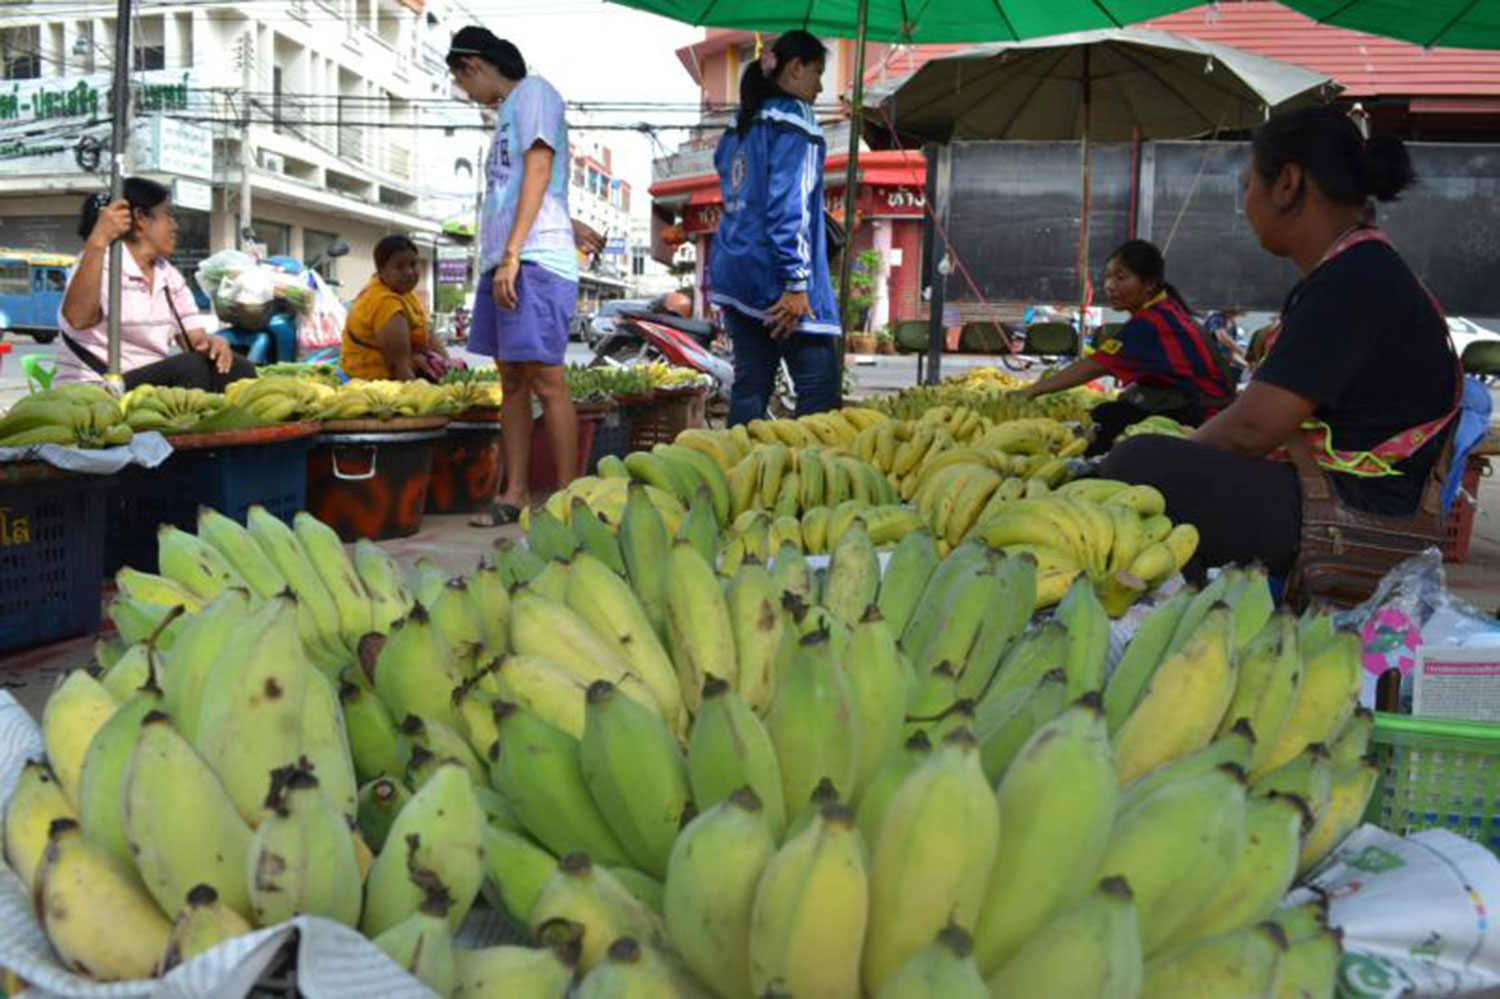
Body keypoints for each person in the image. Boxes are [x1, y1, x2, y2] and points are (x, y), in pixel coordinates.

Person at [1099, 107, 1458, 578]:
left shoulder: (1354, 279)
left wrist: (1174, 455)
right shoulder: (1357, 270)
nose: (1244, 203)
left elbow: (1253, 430)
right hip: (1337, 492)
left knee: (1144, 465)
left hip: (1358, 511)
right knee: (1153, 458)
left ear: (1287, 183)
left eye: (1248, 185)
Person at [448, 27, 579, 526]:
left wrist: (513, 255)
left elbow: (541, 170)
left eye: (462, 81)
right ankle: (516, 493)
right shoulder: (506, 113)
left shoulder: (535, 94)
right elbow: (528, 187)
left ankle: (569, 499)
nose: (465, 93)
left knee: (547, 379)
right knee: (513, 381)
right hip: (509, 257)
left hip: (534, 259)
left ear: (474, 65)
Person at [710, 30, 842, 426]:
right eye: (817, 73)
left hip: (736, 273)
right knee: (819, 389)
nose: (820, 87)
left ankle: (738, 479)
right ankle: (812, 480)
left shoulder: (740, 124)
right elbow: (790, 206)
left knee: (750, 387)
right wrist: (797, 283)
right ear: (795, 68)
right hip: (779, 282)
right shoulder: (795, 121)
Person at [1024, 240, 1237, 455]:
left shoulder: (1151, 322)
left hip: (1202, 417)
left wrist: (1033, 390)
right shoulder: (1164, 309)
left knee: (1106, 427)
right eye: (1108, 276)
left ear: (1149, 284)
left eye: (1121, 277)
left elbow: (1096, 365)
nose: (1109, 285)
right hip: (1197, 405)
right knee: (1107, 415)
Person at [58, 178, 254, 390]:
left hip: (148, 384)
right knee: (191, 367)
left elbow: (195, 341)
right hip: (98, 385)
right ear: (140, 218)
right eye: (168, 216)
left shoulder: (168, 275)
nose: (175, 226)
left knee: (240, 369)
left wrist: (214, 344)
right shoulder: (102, 262)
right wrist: (98, 240)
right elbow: (78, 319)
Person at [341, 235, 449, 381]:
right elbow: (398, 367)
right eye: (399, 266)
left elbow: (428, 335)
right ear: (381, 270)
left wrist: (450, 368)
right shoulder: (386, 302)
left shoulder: (403, 292)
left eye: (413, 264)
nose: (409, 272)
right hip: (375, 380)